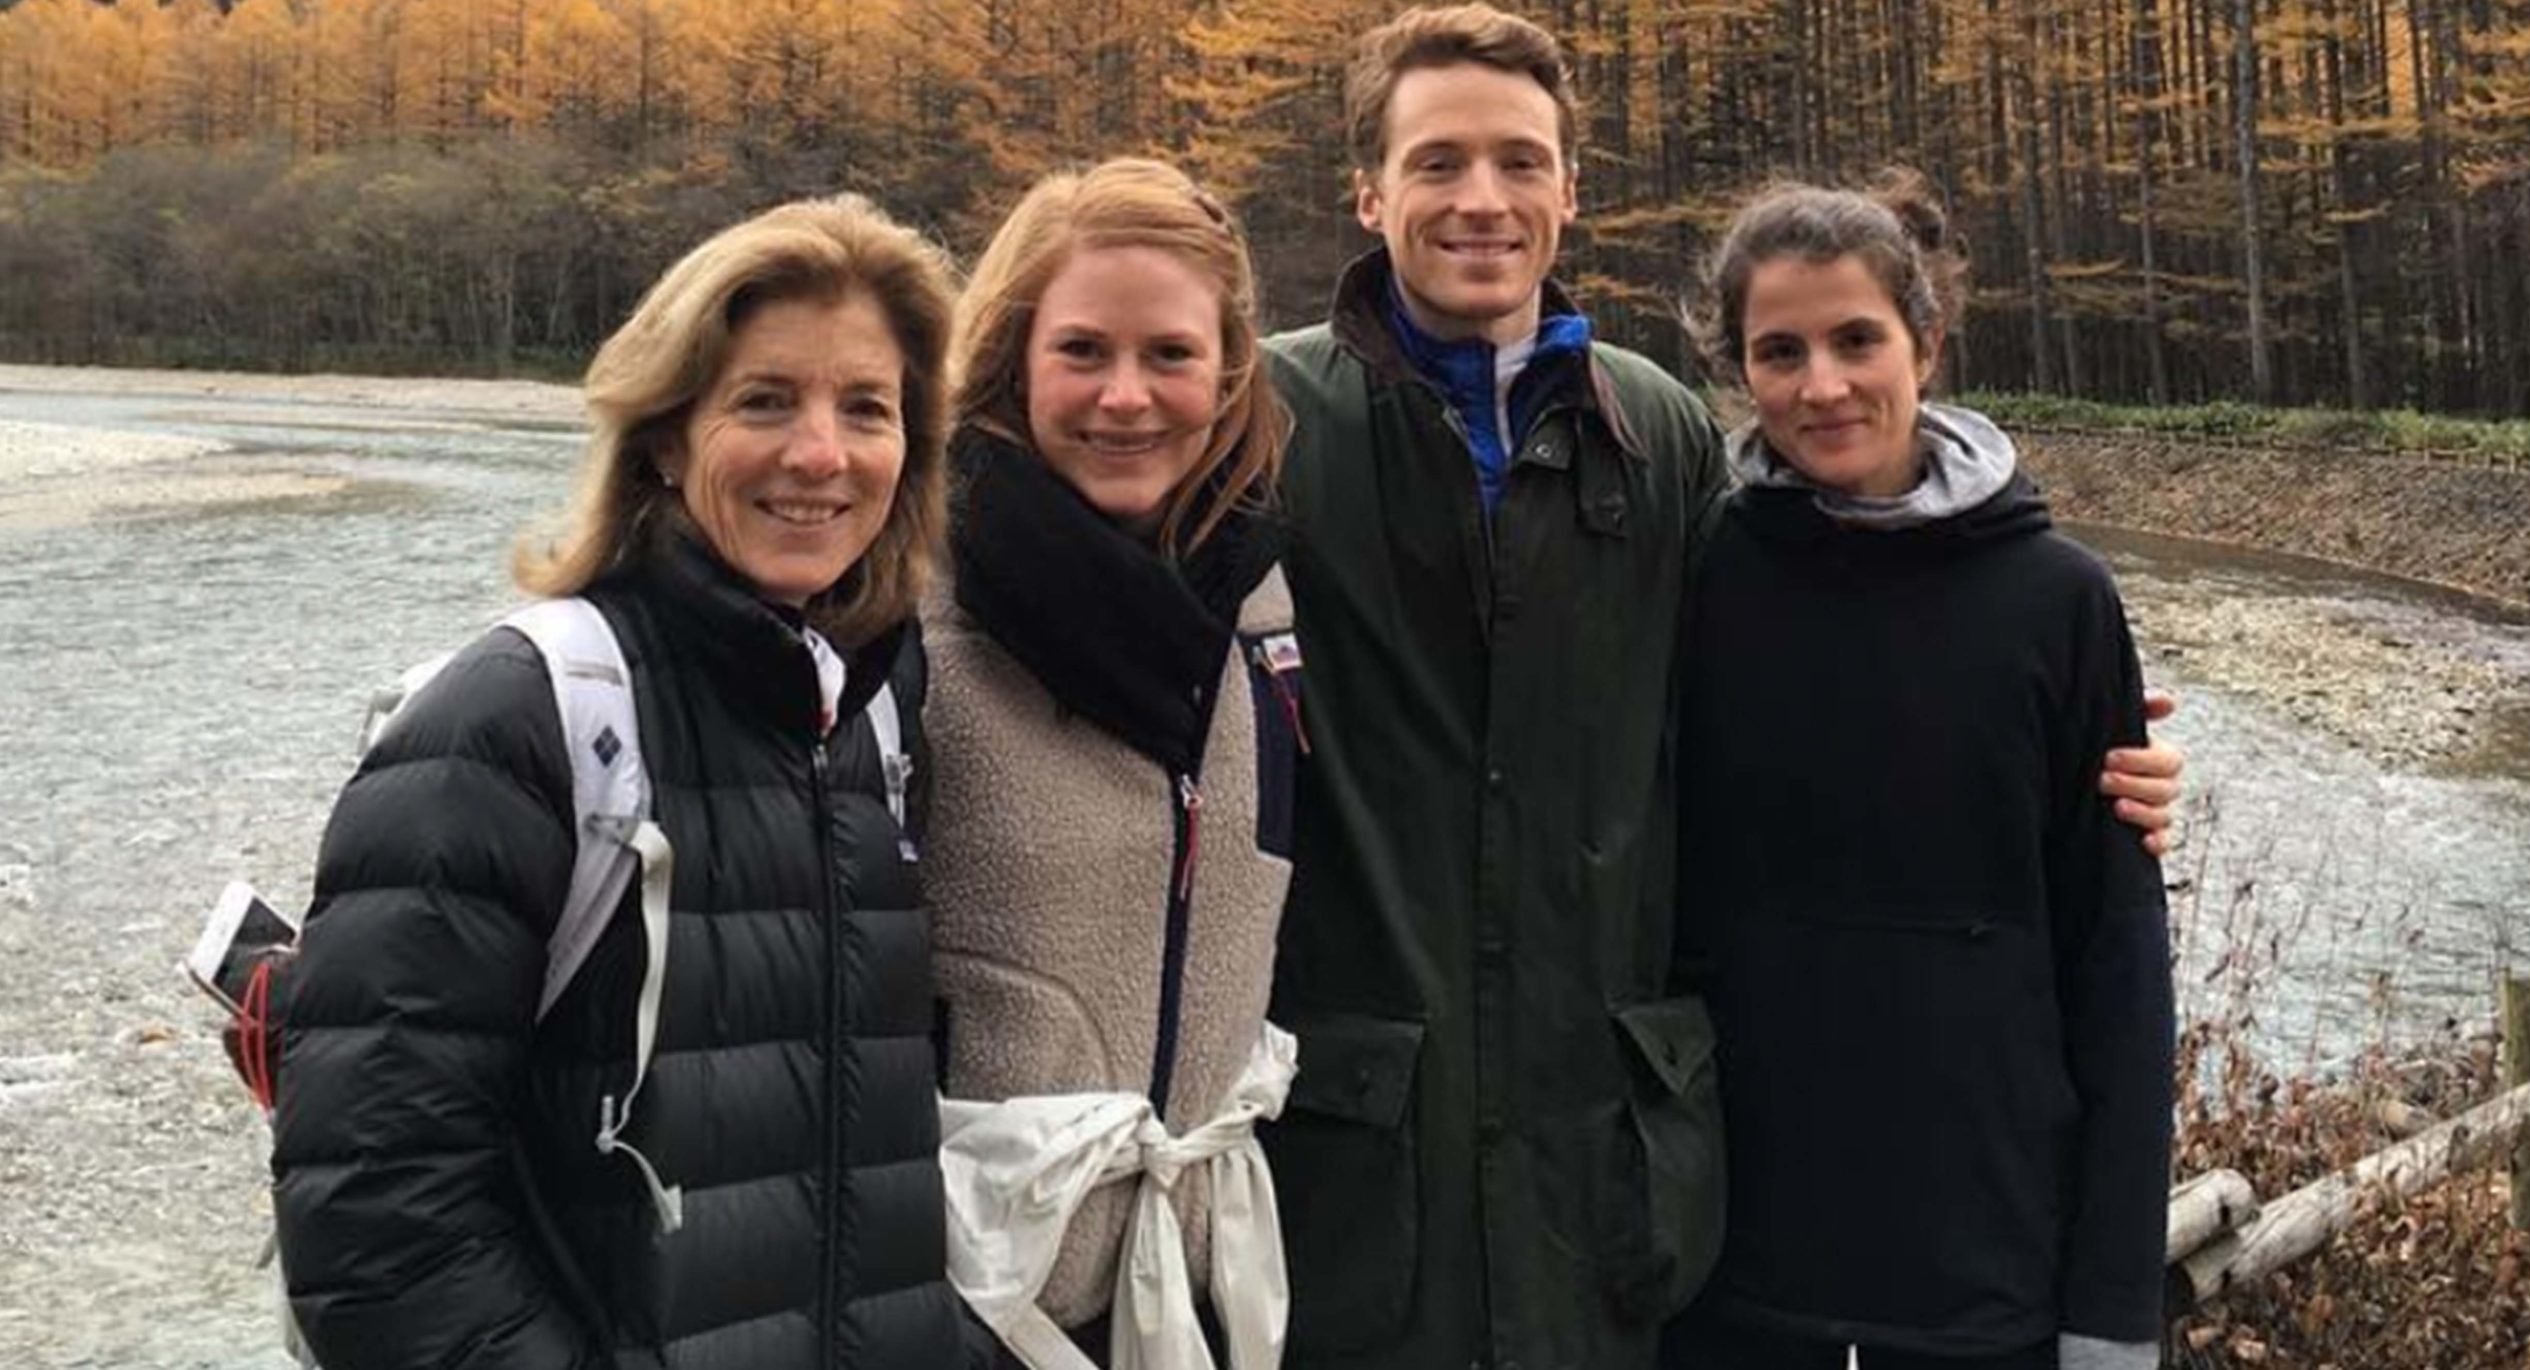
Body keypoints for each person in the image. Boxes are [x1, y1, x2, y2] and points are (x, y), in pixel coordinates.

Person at [1255, 7, 2185, 1369]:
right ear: (1367, 187)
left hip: (1624, 1185)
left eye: (1520, 160)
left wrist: (2091, 751)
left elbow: (1837, 647)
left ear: (1573, 189)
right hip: (1362, 1178)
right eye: (1438, 160)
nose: (1481, 199)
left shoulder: (1659, 438)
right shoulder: (1266, 414)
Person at [270, 195, 980, 1369]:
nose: (821, 453)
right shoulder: (516, 717)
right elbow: (375, 1222)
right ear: (662, 432)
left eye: (868, 408)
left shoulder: (875, 711)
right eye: (764, 400)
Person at [1663, 176, 2174, 1370]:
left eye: (1856, 339)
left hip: (1987, 1256)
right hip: (1725, 1255)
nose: (1821, 383)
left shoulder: (2059, 601)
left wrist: (2110, 1307)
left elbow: (2116, 963)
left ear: (1926, 343)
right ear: (1738, 370)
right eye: (1777, 350)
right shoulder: (1695, 578)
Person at [925, 158, 1300, 1370]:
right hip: (960, 1287)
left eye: (1170, 355)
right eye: (1082, 351)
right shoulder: (905, 604)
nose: (1126, 398)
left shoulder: (1263, 598)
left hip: (1189, 1282)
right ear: (1012, 361)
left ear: (1230, 369)